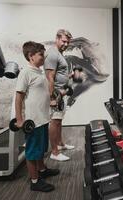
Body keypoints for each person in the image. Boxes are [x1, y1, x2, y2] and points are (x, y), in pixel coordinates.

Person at [15, 41, 59, 192]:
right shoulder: (25, 72)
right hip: (32, 120)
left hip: (43, 118)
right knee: (32, 152)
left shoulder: (39, 72)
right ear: (30, 56)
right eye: (41, 54)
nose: (44, 56)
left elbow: (41, 93)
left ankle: (42, 170)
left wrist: (51, 101)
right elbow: (19, 97)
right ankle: (35, 181)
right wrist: (19, 119)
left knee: (40, 149)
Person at [44, 29, 75, 161]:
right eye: (63, 41)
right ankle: (54, 152)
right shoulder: (52, 54)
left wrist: (70, 76)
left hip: (62, 93)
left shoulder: (59, 54)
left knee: (59, 120)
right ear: (56, 39)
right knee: (55, 121)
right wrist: (51, 98)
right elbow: (49, 77)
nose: (66, 44)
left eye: (68, 42)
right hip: (56, 94)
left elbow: (58, 75)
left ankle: (60, 144)